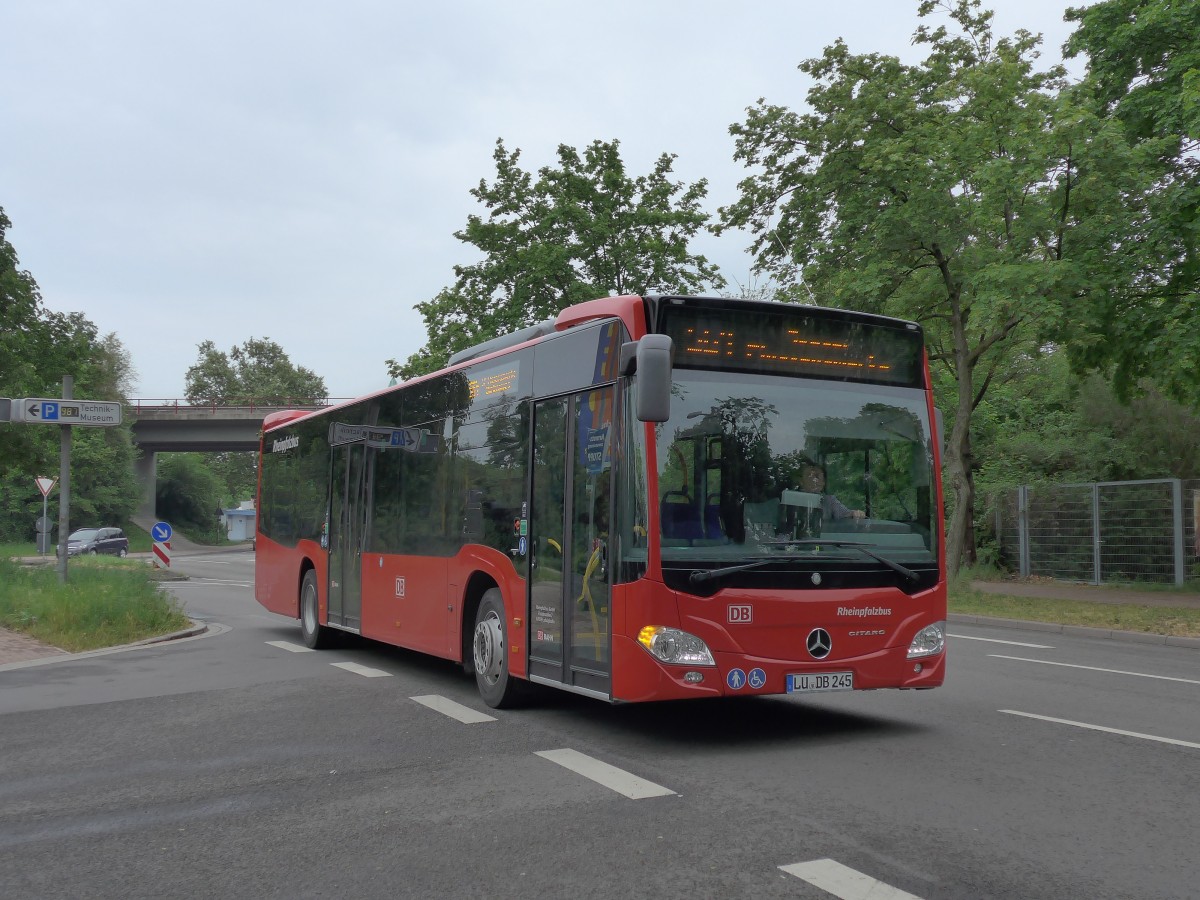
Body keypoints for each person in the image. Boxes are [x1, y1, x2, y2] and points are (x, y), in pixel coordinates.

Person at [800, 463, 865, 521]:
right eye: (809, 475)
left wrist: (856, 513)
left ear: (823, 483)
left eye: (817, 476)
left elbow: (846, 514)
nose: (814, 480)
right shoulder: (792, 499)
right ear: (801, 481)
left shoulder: (829, 500)